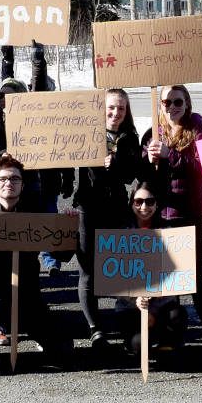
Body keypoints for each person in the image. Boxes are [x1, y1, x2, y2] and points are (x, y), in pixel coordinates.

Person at [143, 83, 202, 356]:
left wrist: (172, 155)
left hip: (189, 213)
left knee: (193, 277)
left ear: (187, 104)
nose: (172, 107)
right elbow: (140, 171)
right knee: (169, 280)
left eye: (177, 102)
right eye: (166, 102)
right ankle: (175, 335)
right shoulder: (153, 131)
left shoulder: (198, 129)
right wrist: (148, 156)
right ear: (160, 105)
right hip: (162, 215)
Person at [0, 155, 76, 367]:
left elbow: (61, 256)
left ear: (22, 184)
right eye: (2, 179)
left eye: (15, 179)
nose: (8, 183)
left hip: (27, 295)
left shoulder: (35, 215)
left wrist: (70, 230)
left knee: (64, 349)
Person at [65, 88, 147, 349]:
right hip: (89, 208)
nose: (115, 113)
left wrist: (117, 162)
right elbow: (64, 157)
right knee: (88, 270)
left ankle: (125, 326)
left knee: (121, 267)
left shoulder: (130, 137)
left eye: (121, 108)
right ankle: (95, 328)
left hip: (116, 208)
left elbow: (129, 176)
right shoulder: (85, 133)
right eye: (111, 108)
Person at [119, 179, 190, 360]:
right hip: (133, 308)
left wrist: (154, 308)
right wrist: (135, 300)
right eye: (139, 201)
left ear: (157, 204)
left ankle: (167, 344)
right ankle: (140, 342)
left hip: (162, 307)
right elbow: (115, 278)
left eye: (150, 201)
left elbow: (177, 278)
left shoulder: (169, 232)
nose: (144, 206)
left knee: (178, 315)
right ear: (132, 203)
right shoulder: (122, 233)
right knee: (138, 346)